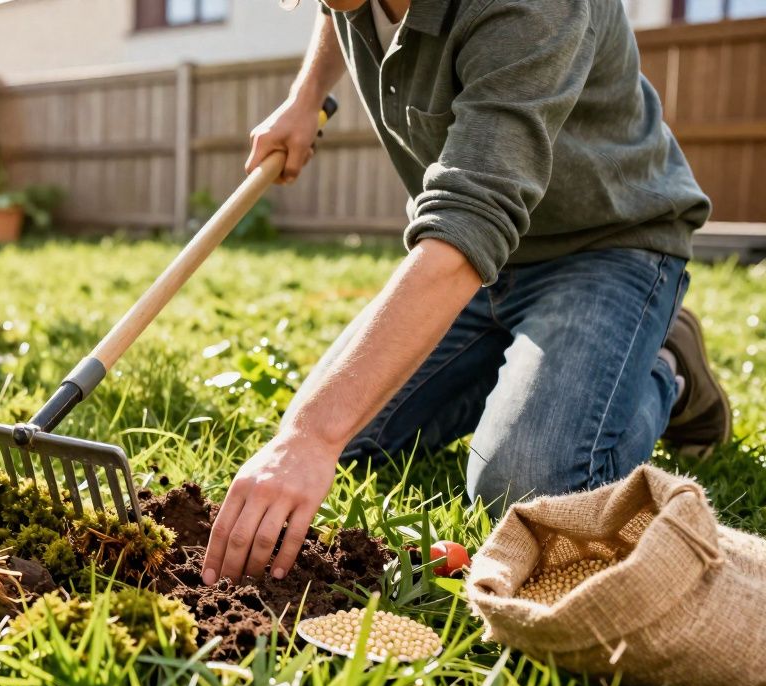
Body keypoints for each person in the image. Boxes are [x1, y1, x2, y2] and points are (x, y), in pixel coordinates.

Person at [201, 0, 730, 585]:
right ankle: (521, 369)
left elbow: (470, 216)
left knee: (525, 488)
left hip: (604, 245)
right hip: (480, 258)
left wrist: (309, 433)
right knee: (352, 440)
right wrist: (304, 99)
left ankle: (667, 369)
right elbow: (340, 12)